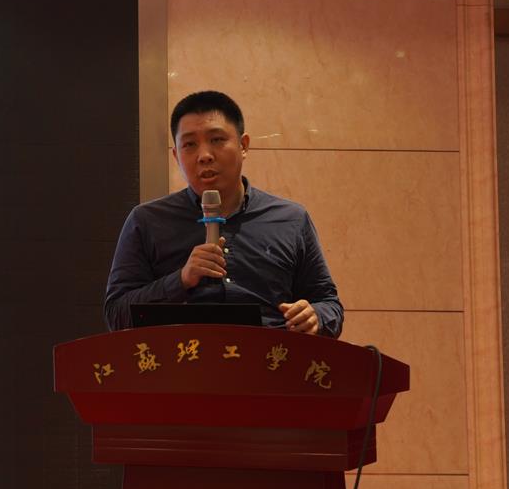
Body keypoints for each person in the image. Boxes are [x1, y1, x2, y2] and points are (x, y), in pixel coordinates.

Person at [104, 90, 342, 336]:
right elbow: (116, 314)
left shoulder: (291, 219)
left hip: (268, 356)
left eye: (217, 140)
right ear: (176, 156)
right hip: (180, 357)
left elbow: (329, 304)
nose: (204, 156)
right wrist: (181, 279)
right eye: (189, 144)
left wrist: (315, 316)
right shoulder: (147, 221)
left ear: (243, 145)